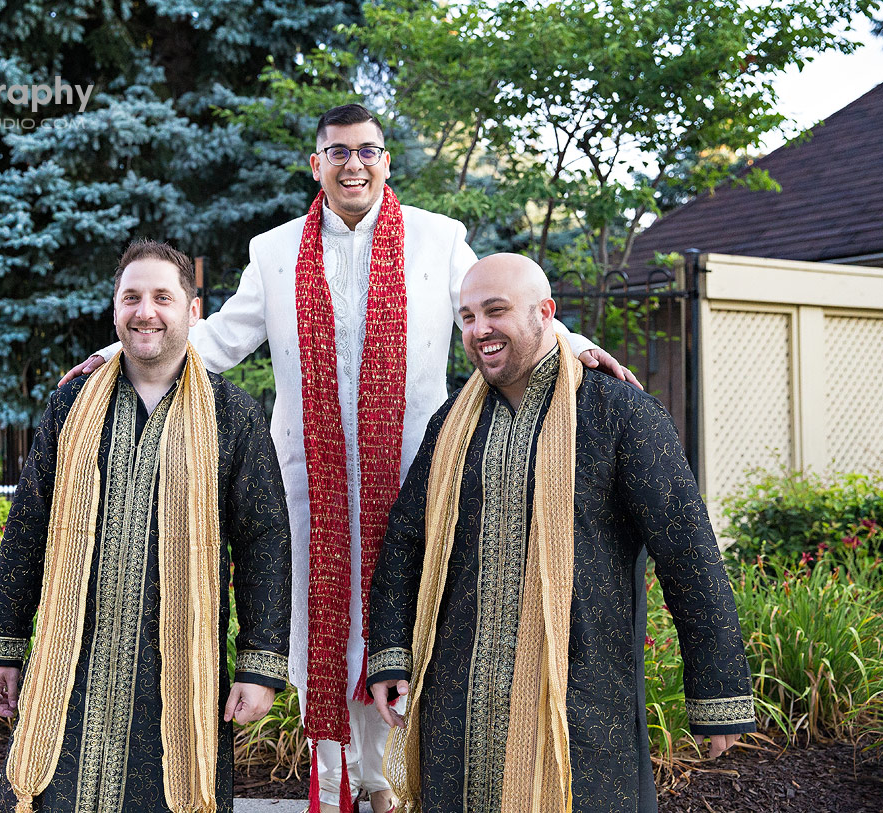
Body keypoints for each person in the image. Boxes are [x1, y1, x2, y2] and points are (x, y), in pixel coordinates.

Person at [59, 105, 635, 813]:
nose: (353, 164)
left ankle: (387, 780)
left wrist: (571, 344)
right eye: (337, 151)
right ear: (316, 164)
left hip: (418, 480)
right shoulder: (274, 251)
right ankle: (334, 783)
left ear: (387, 161)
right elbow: (210, 340)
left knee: (401, 626)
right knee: (320, 634)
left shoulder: (438, 238)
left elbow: (500, 300)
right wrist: (121, 351)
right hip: (312, 486)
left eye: (367, 150)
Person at [366, 253, 755, 813]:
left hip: (580, 697)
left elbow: (687, 551)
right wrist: (390, 654)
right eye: (468, 316)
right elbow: (406, 539)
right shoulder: (451, 423)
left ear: (546, 313)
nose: (480, 330)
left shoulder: (619, 412)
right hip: (457, 699)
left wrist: (718, 693)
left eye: (496, 311)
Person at [0, 239, 292, 813]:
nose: (145, 311)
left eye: (162, 298)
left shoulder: (234, 415)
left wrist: (260, 665)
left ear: (192, 312)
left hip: (175, 673)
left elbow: (264, 544)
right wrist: (5, 647)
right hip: (67, 667)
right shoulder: (71, 402)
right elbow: (27, 525)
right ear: (115, 309)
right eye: (131, 297)